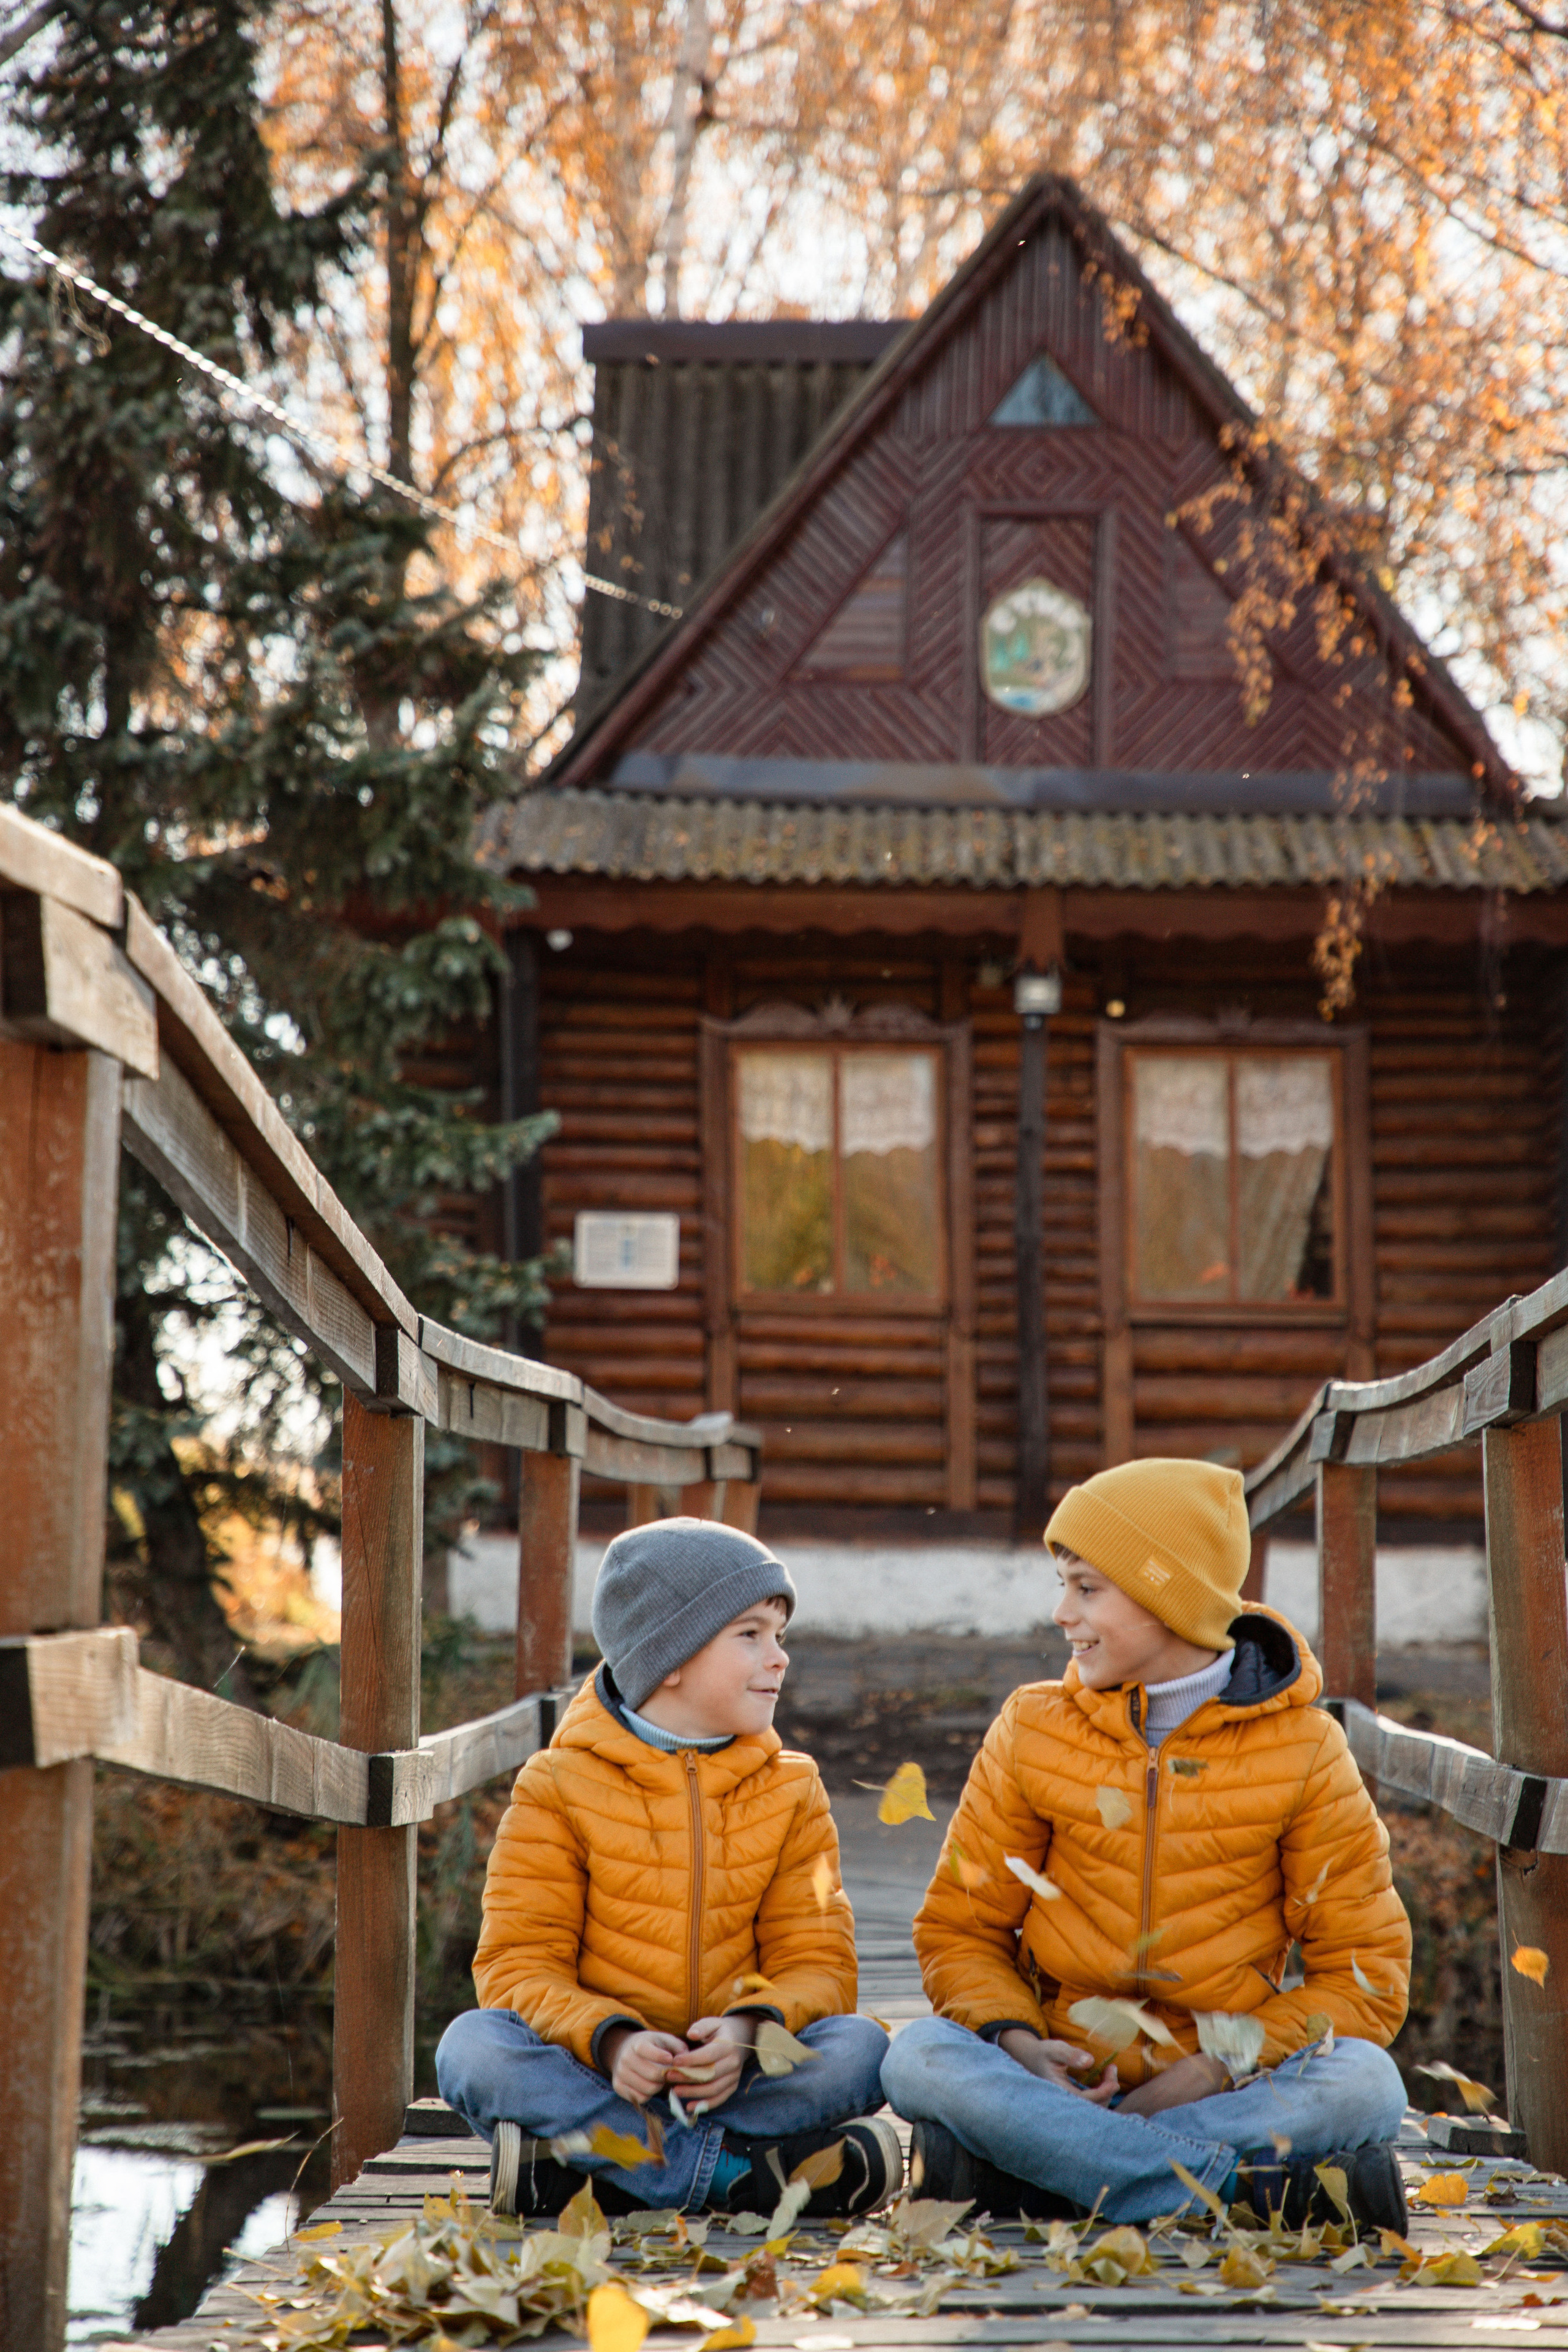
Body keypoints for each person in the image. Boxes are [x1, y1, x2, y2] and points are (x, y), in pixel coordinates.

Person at [881, 1458, 1413, 2231]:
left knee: (1366, 2082)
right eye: (1061, 1584)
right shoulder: (1032, 1728)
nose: (1062, 1613)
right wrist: (1024, 2047)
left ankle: (1053, 2171)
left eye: (1086, 1588)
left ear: (1170, 1598)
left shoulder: (1303, 1748)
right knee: (914, 2054)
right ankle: (1222, 2182)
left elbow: (1366, 1974)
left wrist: (1215, 2065)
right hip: (1058, 2079)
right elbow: (959, 1931)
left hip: (1223, 2084)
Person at [437, 1517, 898, 2218]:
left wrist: (747, 2036)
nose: (779, 1658)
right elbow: (516, 1966)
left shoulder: (791, 1788)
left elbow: (822, 1966)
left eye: (780, 1636)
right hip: (597, 2074)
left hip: (734, 2080)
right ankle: (734, 2177)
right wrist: (612, 2039)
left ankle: (593, 2167)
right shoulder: (556, 1786)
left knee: (864, 2049)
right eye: (750, 1634)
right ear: (669, 1656)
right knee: (472, 2050)